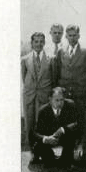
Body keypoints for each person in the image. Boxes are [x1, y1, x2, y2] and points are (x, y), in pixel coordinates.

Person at [21, 32, 55, 163]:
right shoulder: (25, 59)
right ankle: (33, 153)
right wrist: (31, 90)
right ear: (32, 43)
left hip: (44, 96)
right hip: (29, 96)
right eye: (36, 41)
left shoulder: (51, 59)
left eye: (41, 41)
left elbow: (53, 78)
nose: (39, 44)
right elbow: (25, 78)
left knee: (42, 124)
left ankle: (43, 151)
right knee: (29, 124)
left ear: (44, 43)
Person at [55, 25, 86, 132]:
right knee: (66, 116)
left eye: (74, 35)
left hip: (80, 92)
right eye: (70, 35)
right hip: (65, 91)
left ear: (79, 36)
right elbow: (57, 71)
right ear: (66, 36)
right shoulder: (61, 52)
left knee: (80, 116)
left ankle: (80, 142)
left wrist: (85, 86)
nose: (72, 38)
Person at [33, 87, 77, 168]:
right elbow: (35, 133)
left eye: (62, 100)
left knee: (65, 164)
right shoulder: (43, 110)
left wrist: (63, 129)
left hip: (64, 137)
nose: (60, 103)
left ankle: (65, 159)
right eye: (57, 100)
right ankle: (41, 156)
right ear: (50, 99)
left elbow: (76, 123)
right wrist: (46, 138)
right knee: (49, 163)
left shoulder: (70, 105)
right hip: (49, 138)